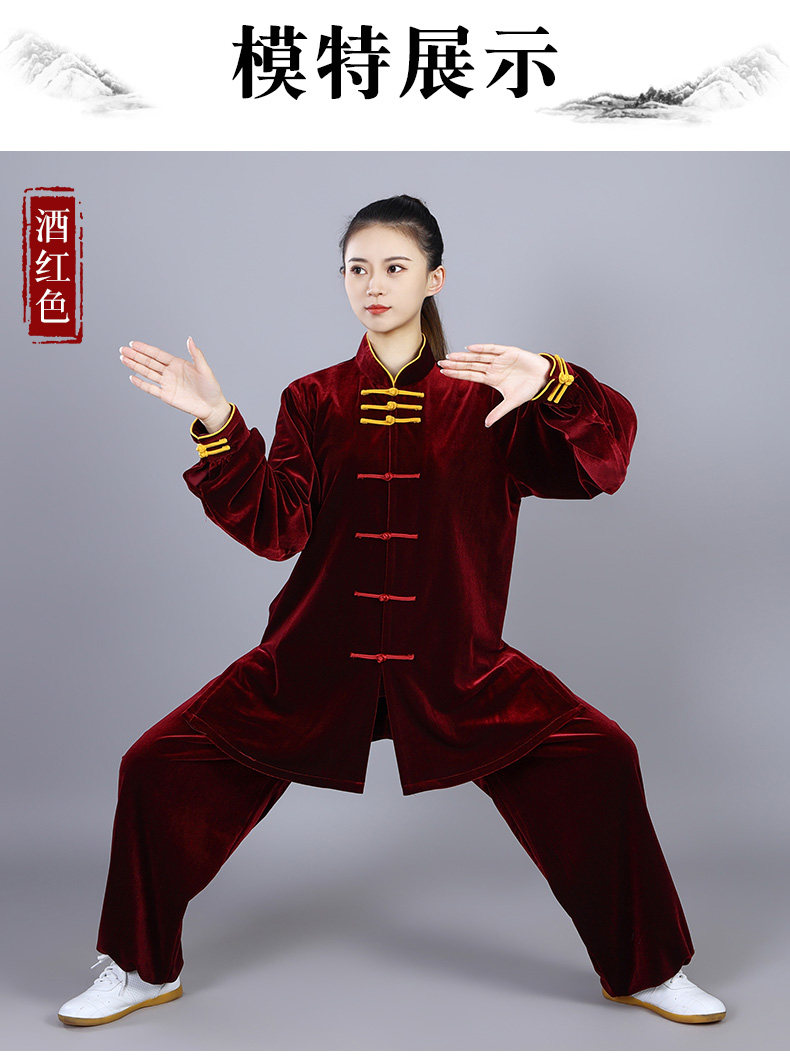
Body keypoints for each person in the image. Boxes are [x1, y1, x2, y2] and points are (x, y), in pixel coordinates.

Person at [58, 194, 726, 1028]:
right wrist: (217, 423)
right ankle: (138, 966)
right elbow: (278, 526)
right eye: (358, 269)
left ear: (434, 279)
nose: (373, 284)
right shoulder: (313, 399)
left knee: (603, 758)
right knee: (154, 767)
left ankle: (649, 969)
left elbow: (604, 466)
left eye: (395, 267)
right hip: (314, 661)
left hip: (457, 665)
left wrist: (556, 384)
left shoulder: (486, 400)